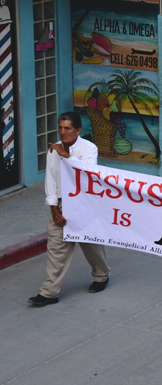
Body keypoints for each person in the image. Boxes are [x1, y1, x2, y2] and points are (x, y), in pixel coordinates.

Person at [28, 112, 109, 307]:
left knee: (91, 245)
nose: (63, 132)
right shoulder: (52, 150)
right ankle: (49, 293)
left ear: (78, 130)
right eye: (61, 127)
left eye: (68, 128)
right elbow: (51, 180)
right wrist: (54, 208)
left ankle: (101, 275)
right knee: (56, 247)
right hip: (62, 204)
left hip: (84, 204)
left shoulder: (89, 148)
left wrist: (67, 156)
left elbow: (89, 174)